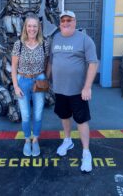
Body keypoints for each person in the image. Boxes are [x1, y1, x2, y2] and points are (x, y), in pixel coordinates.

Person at [48, 10, 98, 172]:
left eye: (69, 20)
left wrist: (87, 87)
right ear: (60, 23)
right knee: (64, 116)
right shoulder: (55, 38)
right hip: (60, 89)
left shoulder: (85, 39)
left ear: (75, 22)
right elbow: (51, 61)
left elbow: (93, 63)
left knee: (82, 120)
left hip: (78, 91)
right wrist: (45, 79)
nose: (66, 23)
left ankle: (86, 152)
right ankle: (68, 140)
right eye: (63, 20)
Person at [11, 14, 49, 157]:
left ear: (39, 28)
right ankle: (27, 140)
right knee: (26, 115)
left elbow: (47, 62)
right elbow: (14, 67)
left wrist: (46, 78)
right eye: (29, 26)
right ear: (25, 28)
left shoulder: (44, 44)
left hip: (39, 79)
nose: (32, 29)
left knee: (38, 114)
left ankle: (35, 140)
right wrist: (15, 86)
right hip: (23, 81)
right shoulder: (18, 44)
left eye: (35, 26)